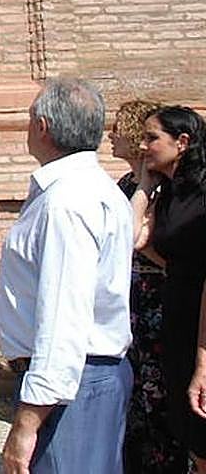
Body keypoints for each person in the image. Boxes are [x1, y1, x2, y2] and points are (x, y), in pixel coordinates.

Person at [0, 78, 133, 474]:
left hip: (69, 384)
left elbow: (63, 316)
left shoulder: (66, 201)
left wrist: (26, 420)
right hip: (83, 378)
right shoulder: (98, 189)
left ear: (43, 127)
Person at [110, 99, 185, 474]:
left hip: (159, 291)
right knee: (138, 392)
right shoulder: (128, 183)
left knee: (160, 391)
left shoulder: (164, 187)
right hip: (135, 293)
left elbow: (134, 238)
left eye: (119, 131)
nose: (111, 138)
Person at [137, 106, 206, 471]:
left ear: (182, 142)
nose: (144, 146)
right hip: (177, 317)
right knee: (188, 430)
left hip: (201, 322)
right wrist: (145, 185)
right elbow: (135, 239)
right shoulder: (169, 191)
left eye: (152, 138)